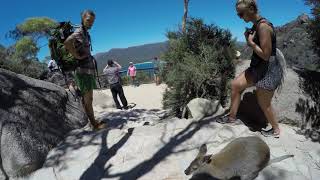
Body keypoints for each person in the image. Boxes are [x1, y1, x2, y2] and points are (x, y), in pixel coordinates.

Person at [217, 0, 281, 138]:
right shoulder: (256, 25)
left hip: (268, 71)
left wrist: (250, 43)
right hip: (257, 68)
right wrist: (250, 39)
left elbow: (266, 55)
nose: (240, 17)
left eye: (241, 14)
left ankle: (276, 130)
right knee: (235, 85)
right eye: (238, 14)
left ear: (251, 9)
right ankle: (232, 118)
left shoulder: (263, 26)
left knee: (264, 103)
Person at [64, 10, 105, 130]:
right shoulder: (80, 31)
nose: (91, 23)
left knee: (87, 98)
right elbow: (67, 42)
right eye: (88, 20)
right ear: (82, 19)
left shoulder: (85, 32)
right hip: (82, 71)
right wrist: (76, 55)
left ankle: (92, 121)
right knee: (88, 99)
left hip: (86, 70)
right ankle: (94, 125)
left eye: (92, 21)